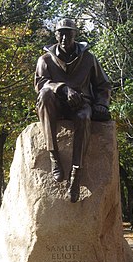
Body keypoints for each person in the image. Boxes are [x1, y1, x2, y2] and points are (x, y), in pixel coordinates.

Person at [34, 18, 112, 202]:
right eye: (60, 33)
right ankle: (54, 156)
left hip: (80, 104)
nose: (64, 37)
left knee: (84, 116)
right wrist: (63, 88)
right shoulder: (45, 60)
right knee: (45, 94)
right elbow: (41, 84)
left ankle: (76, 174)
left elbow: (103, 85)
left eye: (68, 33)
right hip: (55, 105)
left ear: (75, 35)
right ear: (55, 35)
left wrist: (101, 104)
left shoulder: (88, 59)